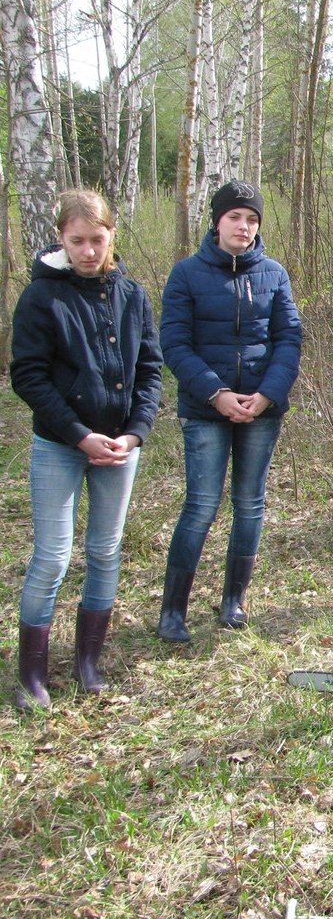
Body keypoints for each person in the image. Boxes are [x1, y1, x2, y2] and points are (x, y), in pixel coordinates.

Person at [10, 189, 163, 710]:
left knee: (104, 551)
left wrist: (135, 433)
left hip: (121, 447)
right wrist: (78, 433)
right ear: (61, 238)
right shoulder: (40, 298)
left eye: (98, 239)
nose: (89, 251)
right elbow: (28, 376)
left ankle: (88, 662)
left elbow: (149, 369)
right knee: (52, 557)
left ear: (112, 234)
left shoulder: (132, 295)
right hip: (60, 445)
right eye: (77, 241)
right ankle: (31, 673)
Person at [156, 180, 302, 641]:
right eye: (236, 216)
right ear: (216, 221)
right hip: (205, 410)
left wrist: (267, 395)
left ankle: (233, 601)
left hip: (261, 407)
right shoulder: (186, 274)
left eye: (253, 218)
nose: (244, 226)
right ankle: (172, 611)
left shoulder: (274, 274)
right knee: (200, 506)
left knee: (250, 505)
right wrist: (216, 393)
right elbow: (174, 345)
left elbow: (288, 338)